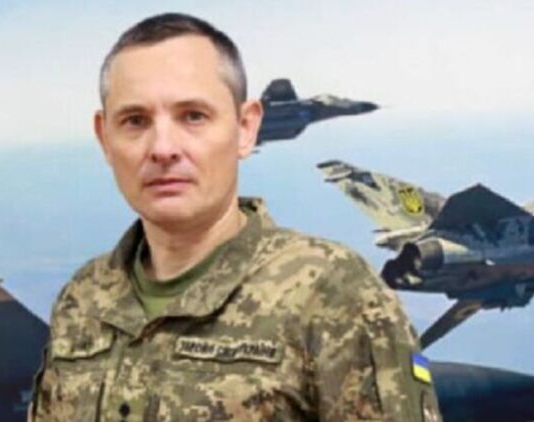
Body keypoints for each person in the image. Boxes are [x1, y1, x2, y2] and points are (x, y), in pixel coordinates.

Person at [30, 13, 440, 422]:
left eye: (193, 116)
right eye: (135, 121)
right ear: (105, 138)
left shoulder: (333, 293)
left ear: (245, 128)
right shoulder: (83, 299)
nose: (163, 148)